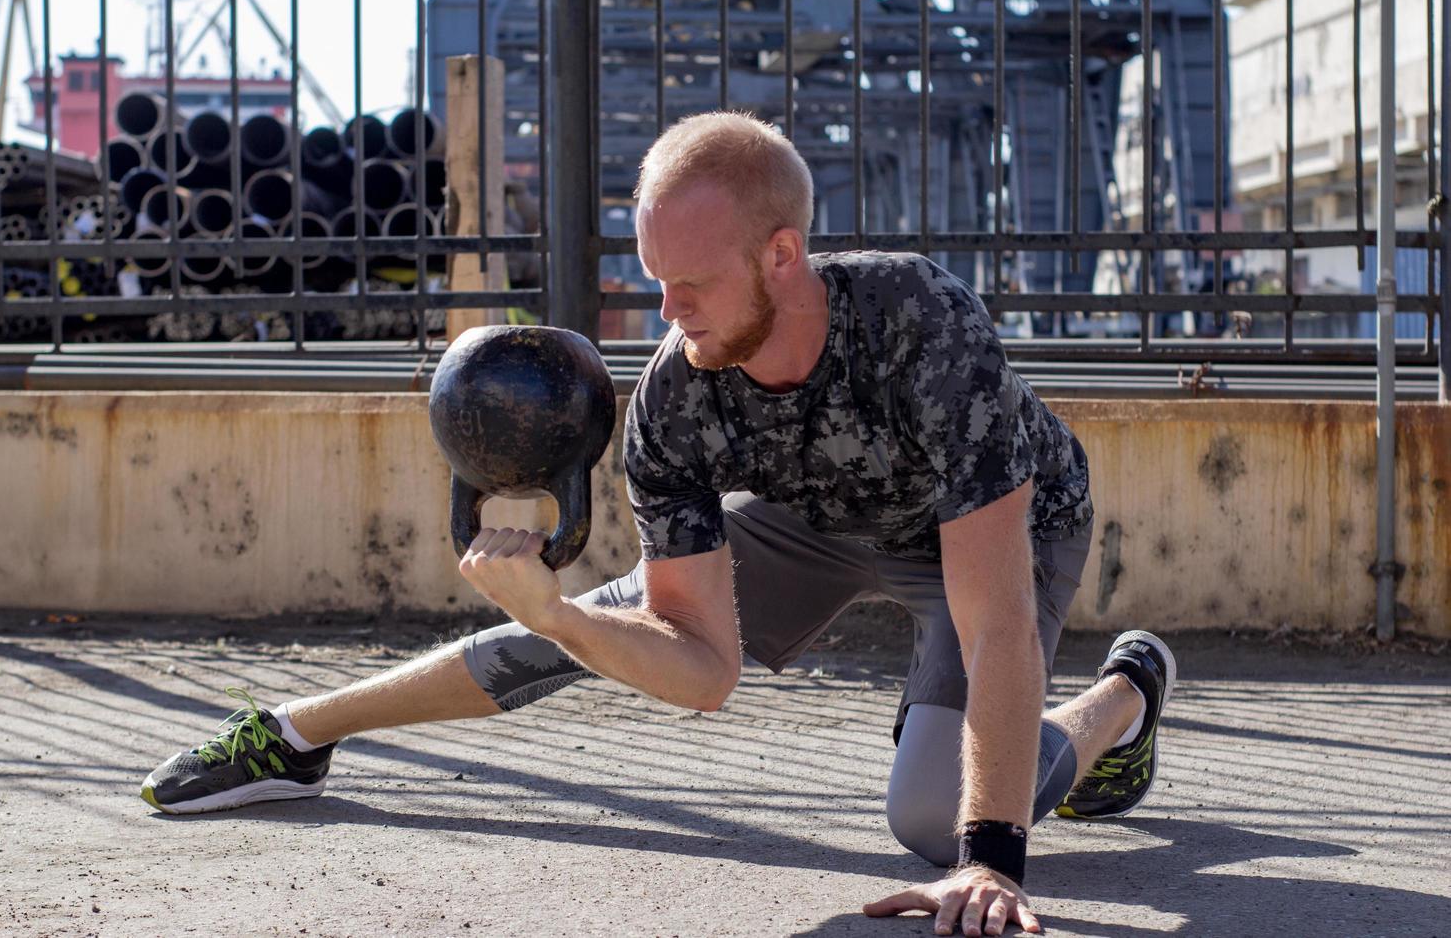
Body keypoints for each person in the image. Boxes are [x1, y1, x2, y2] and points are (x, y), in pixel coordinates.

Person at [141, 112, 1175, 938]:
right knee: (585, 619)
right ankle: (295, 733)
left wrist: (989, 853)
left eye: (692, 284)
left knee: (928, 821)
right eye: (653, 280)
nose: (670, 313)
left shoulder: (919, 321)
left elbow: (993, 615)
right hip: (814, 518)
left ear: (782, 254)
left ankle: (1119, 701)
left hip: (997, 524)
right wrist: (560, 618)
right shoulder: (676, 397)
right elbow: (700, 666)